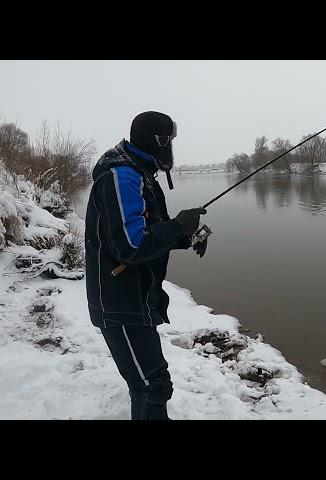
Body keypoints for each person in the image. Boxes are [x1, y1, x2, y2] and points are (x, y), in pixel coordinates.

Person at [84, 111, 207, 420]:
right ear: (158, 140)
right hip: (120, 303)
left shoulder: (140, 173)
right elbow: (131, 245)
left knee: (148, 383)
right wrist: (177, 226)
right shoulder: (122, 176)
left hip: (136, 297)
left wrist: (185, 235)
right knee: (153, 386)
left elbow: (149, 231)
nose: (172, 146)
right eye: (169, 139)